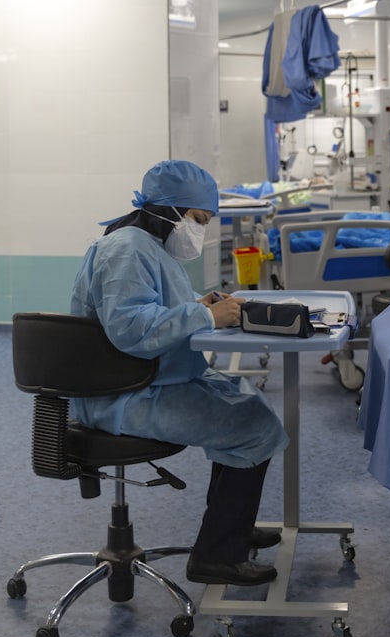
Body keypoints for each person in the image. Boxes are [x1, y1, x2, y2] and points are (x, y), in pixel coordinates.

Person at [70, 160, 289, 586]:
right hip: (123, 395)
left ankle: (231, 529)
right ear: (171, 210)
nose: (200, 231)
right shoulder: (126, 249)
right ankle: (217, 556)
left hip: (145, 379)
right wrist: (205, 318)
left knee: (245, 402)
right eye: (199, 220)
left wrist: (203, 304)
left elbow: (159, 303)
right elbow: (130, 329)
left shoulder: (146, 246)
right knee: (253, 426)